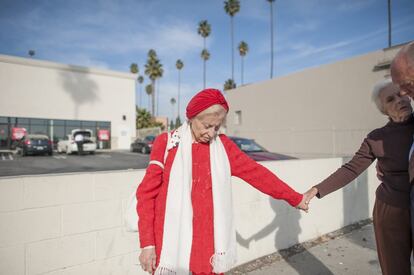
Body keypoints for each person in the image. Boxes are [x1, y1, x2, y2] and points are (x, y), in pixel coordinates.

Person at [136, 88, 310, 275]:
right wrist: (147, 244)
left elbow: (258, 174)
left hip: (208, 247)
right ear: (192, 118)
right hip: (169, 243)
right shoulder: (167, 144)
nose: (211, 134)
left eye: (217, 127)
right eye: (207, 125)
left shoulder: (224, 147)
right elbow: (146, 194)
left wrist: (295, 198)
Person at [304, 79, 414, 275]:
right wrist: (317, 189)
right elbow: (352, 168)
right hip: (391, 209)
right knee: (395, 269)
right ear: (384, 111)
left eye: (401, 94)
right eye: (390, 99)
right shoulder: (376, 137)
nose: (399, 100)